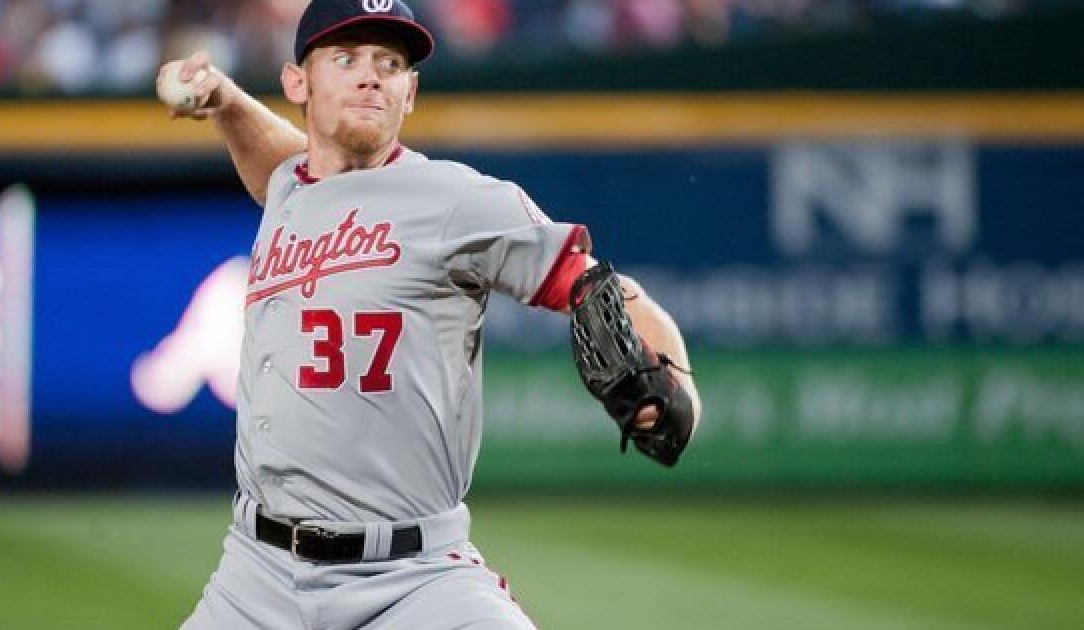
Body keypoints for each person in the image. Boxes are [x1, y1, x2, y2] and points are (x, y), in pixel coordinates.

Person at [162, 1, 701, 628]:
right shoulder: (291, 186)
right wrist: (226, 101)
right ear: (296, 82)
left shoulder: (455, 199)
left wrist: (681, 382)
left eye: (389, 63)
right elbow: (284, 167)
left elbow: (595, 284)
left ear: (410, 91)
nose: (370, 76)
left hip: (415, 578)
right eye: (346, 58)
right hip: (257, 575)